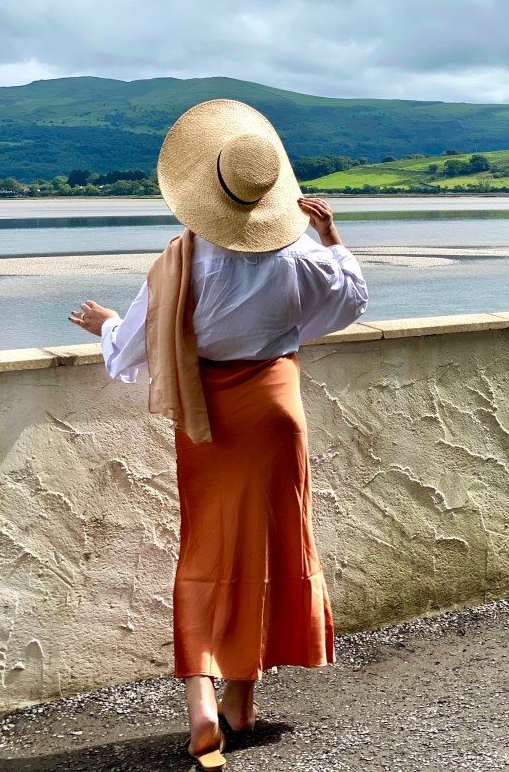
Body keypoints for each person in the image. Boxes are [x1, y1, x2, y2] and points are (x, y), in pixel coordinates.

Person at [69, 100, 368, 770]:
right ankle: (242, 701)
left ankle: (202, 699)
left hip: (212, 418)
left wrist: (105, 323)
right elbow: (351, 300)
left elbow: (132, 349)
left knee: (207, 549)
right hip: (278, 409)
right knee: (267, 546)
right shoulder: (297, 255)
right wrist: (332, 237)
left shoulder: (184, 261)